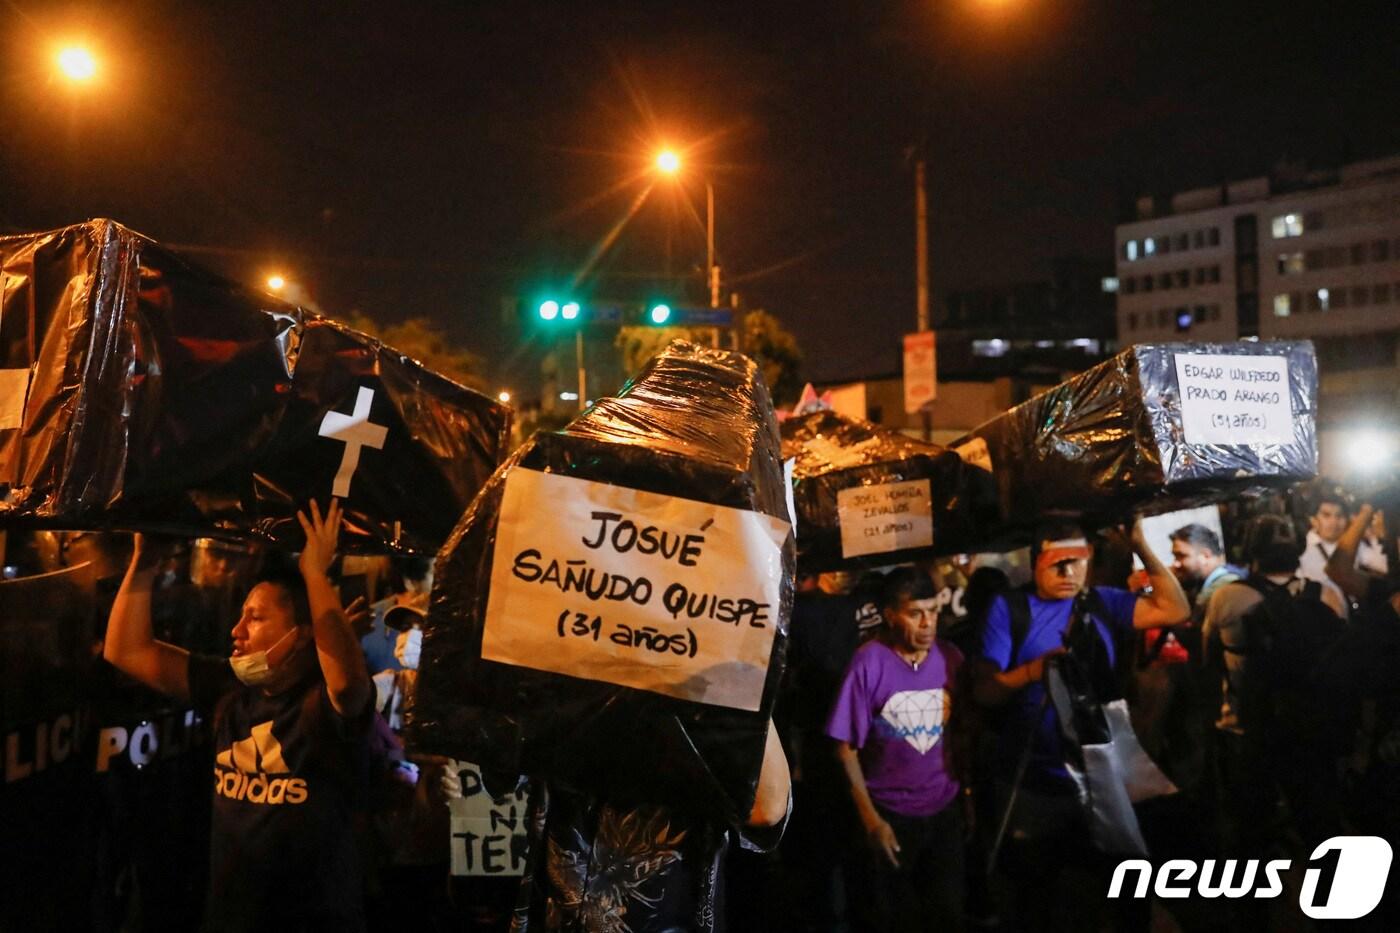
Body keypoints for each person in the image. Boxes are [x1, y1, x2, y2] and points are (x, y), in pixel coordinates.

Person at [103, 500, 376, 933]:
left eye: (255, 617)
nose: (237, 630)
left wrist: (313, 573)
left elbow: (346, 684)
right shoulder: (230, 690)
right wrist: (144, 561)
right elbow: (126, 651)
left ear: (300, 634)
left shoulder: (323, 706)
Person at [971, 519, 1190, 932]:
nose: (1068, 574)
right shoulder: (1010, 609)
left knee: (1124, 886)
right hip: (1034, 781)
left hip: (1101, 778)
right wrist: (1035, 671)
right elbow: (985, 691)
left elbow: (1175, 609)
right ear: (1035, 563)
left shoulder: (1103, 603)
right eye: (1057, 564)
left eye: (1078, 563)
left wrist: (1141, 545)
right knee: (1035, 894)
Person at [510, 722, 791, 932]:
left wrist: (746, 667)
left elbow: (767, 809)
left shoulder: (712, 670)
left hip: (669, 912)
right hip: (557, 911)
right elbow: (500, 748)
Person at [826, 567, 968, 932]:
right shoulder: (868, 663)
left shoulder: (950, 659)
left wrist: (967, 799)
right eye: (915, 613)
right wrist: (872, 822)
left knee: (947, 914)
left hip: (943, 812)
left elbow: (963, 734)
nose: (927, 623)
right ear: (890, 615)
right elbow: (845, 749)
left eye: (933, 611)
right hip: (892, 815)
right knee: (896, 917)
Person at [1202, 513, 1349, 861]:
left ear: (1250, 551)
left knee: (1250, 831)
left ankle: (1254, 903)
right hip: (1309, 727)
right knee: (1318, 823)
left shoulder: (1227, 598)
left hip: (1247, 729)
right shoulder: (1326, 595)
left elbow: (1207, 660)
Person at [1169, 523, 1243, 619]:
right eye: (1175, 557)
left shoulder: (1223, 587)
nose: (1175, 564)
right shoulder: (1204, 583)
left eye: (1182, 556)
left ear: (1205, 555)